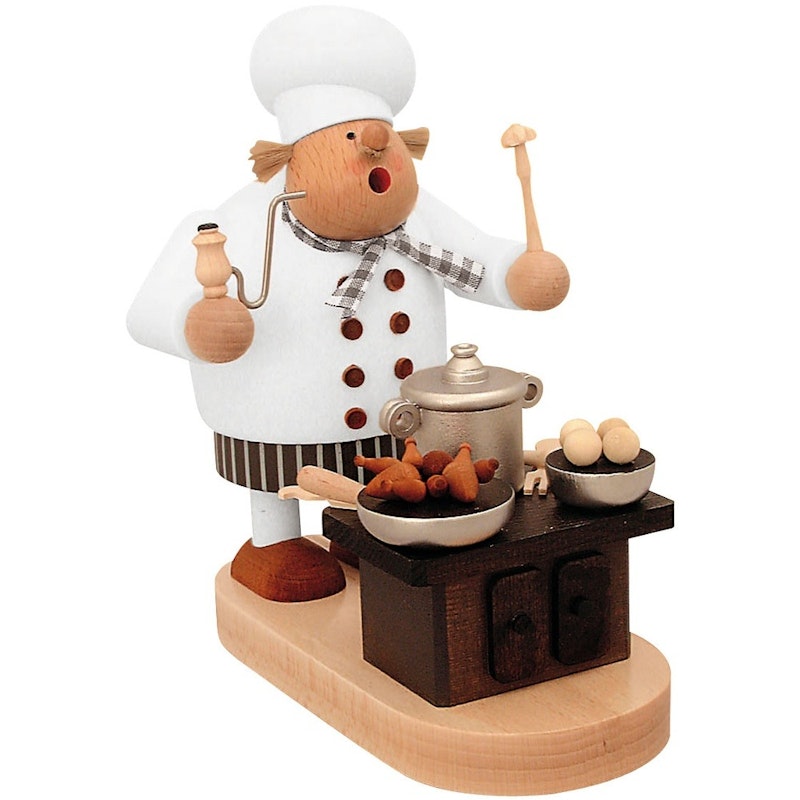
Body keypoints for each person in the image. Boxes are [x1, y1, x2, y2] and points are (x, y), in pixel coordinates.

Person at [127, 6, 568, 601]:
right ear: (290, 158)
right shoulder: (240, 219)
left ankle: (361, 530)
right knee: (280, 479)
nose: (375, 159)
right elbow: (148, 309)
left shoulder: (416, 214)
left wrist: (520, 274)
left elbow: (475, 255)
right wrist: (195, 324)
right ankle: (271, 543)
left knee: (393, 468)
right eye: (351, 140)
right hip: (279, 409)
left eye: (381, 144)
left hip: (396, 408)